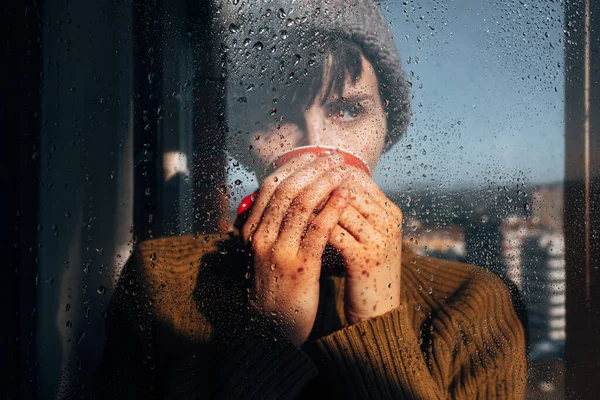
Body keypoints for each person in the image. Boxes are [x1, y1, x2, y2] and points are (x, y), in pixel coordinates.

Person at [89, 0, 527, 398]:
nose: (319, 145)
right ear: (242, 138)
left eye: (349, 110)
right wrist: (269, 335)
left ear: (386, 126)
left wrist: (378, 321)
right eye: (275, 113)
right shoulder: (161, 279)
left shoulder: (473, 303)